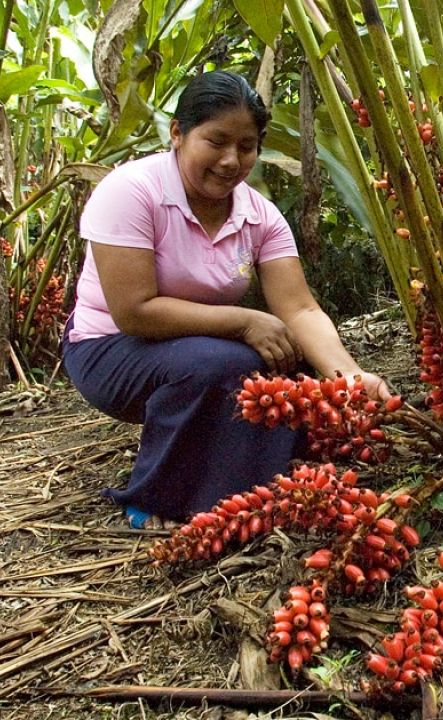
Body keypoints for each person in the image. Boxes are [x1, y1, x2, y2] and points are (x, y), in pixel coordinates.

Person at [62, 70, 389, 529]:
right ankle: (155, 497)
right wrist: (243, 321)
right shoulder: (131, 191)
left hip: (196, 348)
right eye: (216, 141)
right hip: (109, 348)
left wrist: (350, 378)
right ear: (177, 133)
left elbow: (299, 309)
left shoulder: (259, 215)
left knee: (287, 372)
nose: (232, 160)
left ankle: (249, 490)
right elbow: (133, 311)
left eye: (247, 146)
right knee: (221, 363)